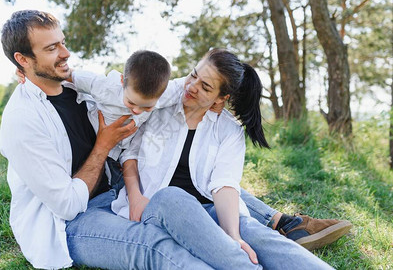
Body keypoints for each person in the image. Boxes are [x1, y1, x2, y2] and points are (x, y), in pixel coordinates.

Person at [0, 10, 347, 269]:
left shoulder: (89, 88)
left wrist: (236, 234)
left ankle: (276, 228)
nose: (65, 53)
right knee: (155, 244)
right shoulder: (23, 120)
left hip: (120, 193)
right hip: (75, 219)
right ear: (23, 61)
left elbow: (158, 86)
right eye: (51, 48)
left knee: (229, 220)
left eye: (62, 42)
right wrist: (105, 145)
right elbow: (66, 205)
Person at [111, 48, 341, 268]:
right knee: (175, 200)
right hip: (158, 205)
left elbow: (225, 185)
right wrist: (135, 197)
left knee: (255, 233)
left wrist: (234, 237)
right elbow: (129, 152)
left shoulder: (228, 130)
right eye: (193, 75)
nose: (191, 87)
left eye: (205, 87)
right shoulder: (158, 105)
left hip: (206, 210)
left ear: (221, 99)